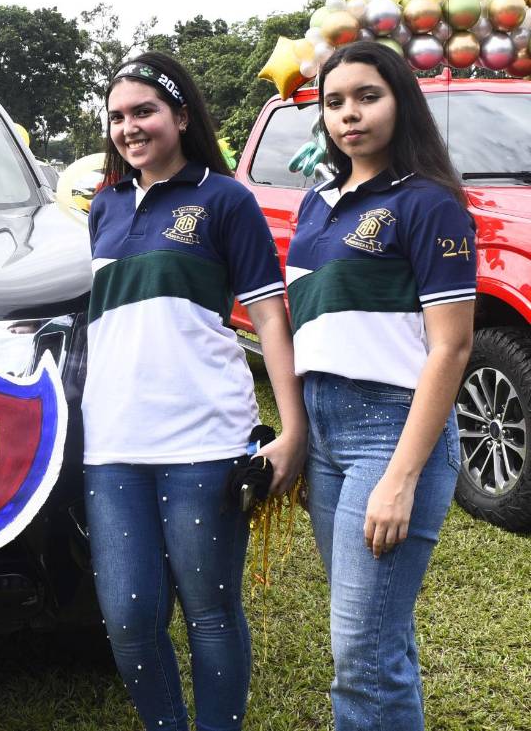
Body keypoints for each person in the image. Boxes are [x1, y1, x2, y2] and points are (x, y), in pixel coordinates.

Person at [82, 52, 307, 731]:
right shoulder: (103, 206)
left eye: (144, 110)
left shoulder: (223, 198)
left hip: (206, 437)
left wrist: (291, 429)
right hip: (113, 441)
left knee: (209, 608)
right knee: (127, 616)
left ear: (181, 116)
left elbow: (270, 314)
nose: (129, 126)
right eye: (118, 116)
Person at [288, 40, 474, 731]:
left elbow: (451, 348)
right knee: (375, 637)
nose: (349, 114)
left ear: (402, 99)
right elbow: (313, 331)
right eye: (334, 102)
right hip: (325, 427)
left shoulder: (429, 204)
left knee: (360, 653)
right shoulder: (317, 202)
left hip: (390, 431)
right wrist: (302, 434)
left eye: (368, 96)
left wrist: (400, 475)